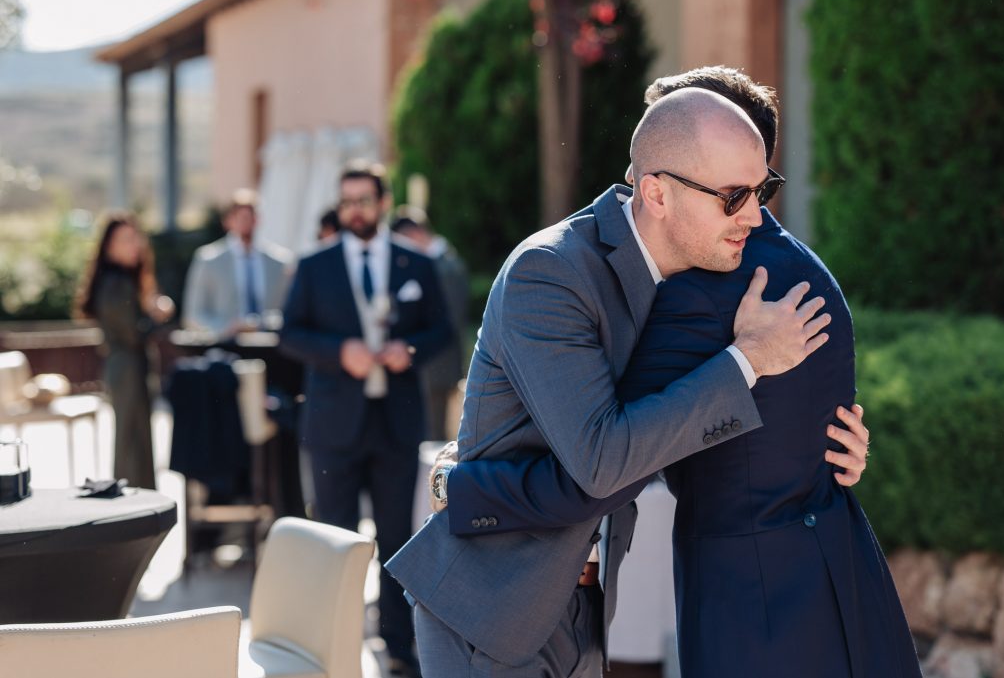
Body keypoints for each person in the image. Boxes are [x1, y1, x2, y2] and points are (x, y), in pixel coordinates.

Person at [424, 68, 919, 678]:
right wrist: (748, 363)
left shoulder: (722, 282)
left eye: (763, 190)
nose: (757, 217)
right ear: (656, 193)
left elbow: (678, 438)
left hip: (594, 600)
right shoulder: (550, 272)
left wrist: (821, 443)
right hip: (494, 603)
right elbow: (606, 457)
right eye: (734, 195)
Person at [279, 162, 451, 677]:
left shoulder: (415, 263)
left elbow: (443, 327)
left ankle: (399, 648)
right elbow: (289, 333)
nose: (354, 209)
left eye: (364, 200)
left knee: (398, 538)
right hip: (334, 425)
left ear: (382, 202)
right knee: (335, 540)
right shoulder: (314, 265)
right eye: (346, 200)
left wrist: (411, 349)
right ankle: (332, 646)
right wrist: (340, 351)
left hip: (395, 421)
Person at [77, 213, 173, 489]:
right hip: (127, 368)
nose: (135, 245)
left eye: (136, 238)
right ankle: (132, 512)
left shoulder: (123, 279)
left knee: (139, 443)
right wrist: (157, 314)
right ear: (109, 246)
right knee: (131, 444)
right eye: (126, 239)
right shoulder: (114, 282)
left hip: (130, 367)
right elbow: (134, 333)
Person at [392, 206, 470, 440]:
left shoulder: (445, 266)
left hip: (437, 366)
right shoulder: (441, 263)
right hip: (431, 365)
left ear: (414, 234)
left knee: (432, 438)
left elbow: (448, 318)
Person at [182, 188, 292, 338]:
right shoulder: (209, 259)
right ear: (227, 221)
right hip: (226, 344)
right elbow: (194, 314)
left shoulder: (280, 261)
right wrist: (226, 328)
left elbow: (289, 310)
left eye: (250, 216)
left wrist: (262, 324)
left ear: (258, 219)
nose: (245, 222)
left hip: (270, 343)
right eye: (240, 217)